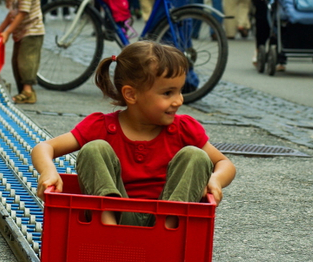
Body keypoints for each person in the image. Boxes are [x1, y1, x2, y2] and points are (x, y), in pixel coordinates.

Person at [30, 41, 236, 227]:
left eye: (179, 91)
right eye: (168, 93)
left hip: (166, 218)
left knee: (196, 156)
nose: (179, 100)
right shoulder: (101, 126)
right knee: (94, 148)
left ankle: (169, 233)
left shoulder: (183, 129)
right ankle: (108, 229)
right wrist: (48, 171)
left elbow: (224, 164)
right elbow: (44, 147)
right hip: (117, 217)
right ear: (131, 94)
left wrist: (215, 180)